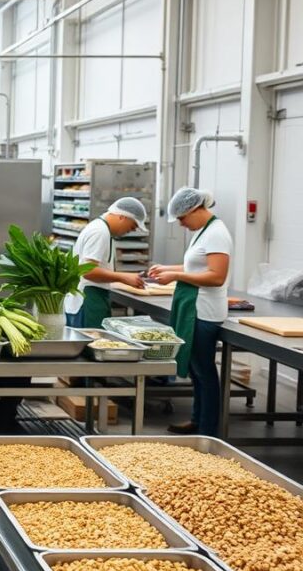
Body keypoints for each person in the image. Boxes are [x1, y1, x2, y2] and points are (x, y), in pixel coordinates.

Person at [148, 187, 232, 437]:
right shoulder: (203, 232)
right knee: (195, 370)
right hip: (193, 308)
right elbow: (195, 265)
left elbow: (216, 276)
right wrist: (169, 268)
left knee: (204, 370)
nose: (182, 224)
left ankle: (208, 430)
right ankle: (197, 420)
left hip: (204, 312)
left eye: (183, 218)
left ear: (196, 209)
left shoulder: (217, 233)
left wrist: (175, 275)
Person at [63, 198, 149, 328]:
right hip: (87, 300)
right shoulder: (99, 232)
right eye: (132, 226)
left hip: (92, 298)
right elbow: (87, 271)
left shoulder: (103, 230)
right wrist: (123, 277)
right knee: (88, 346)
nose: (130, 231)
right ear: (122, 217)